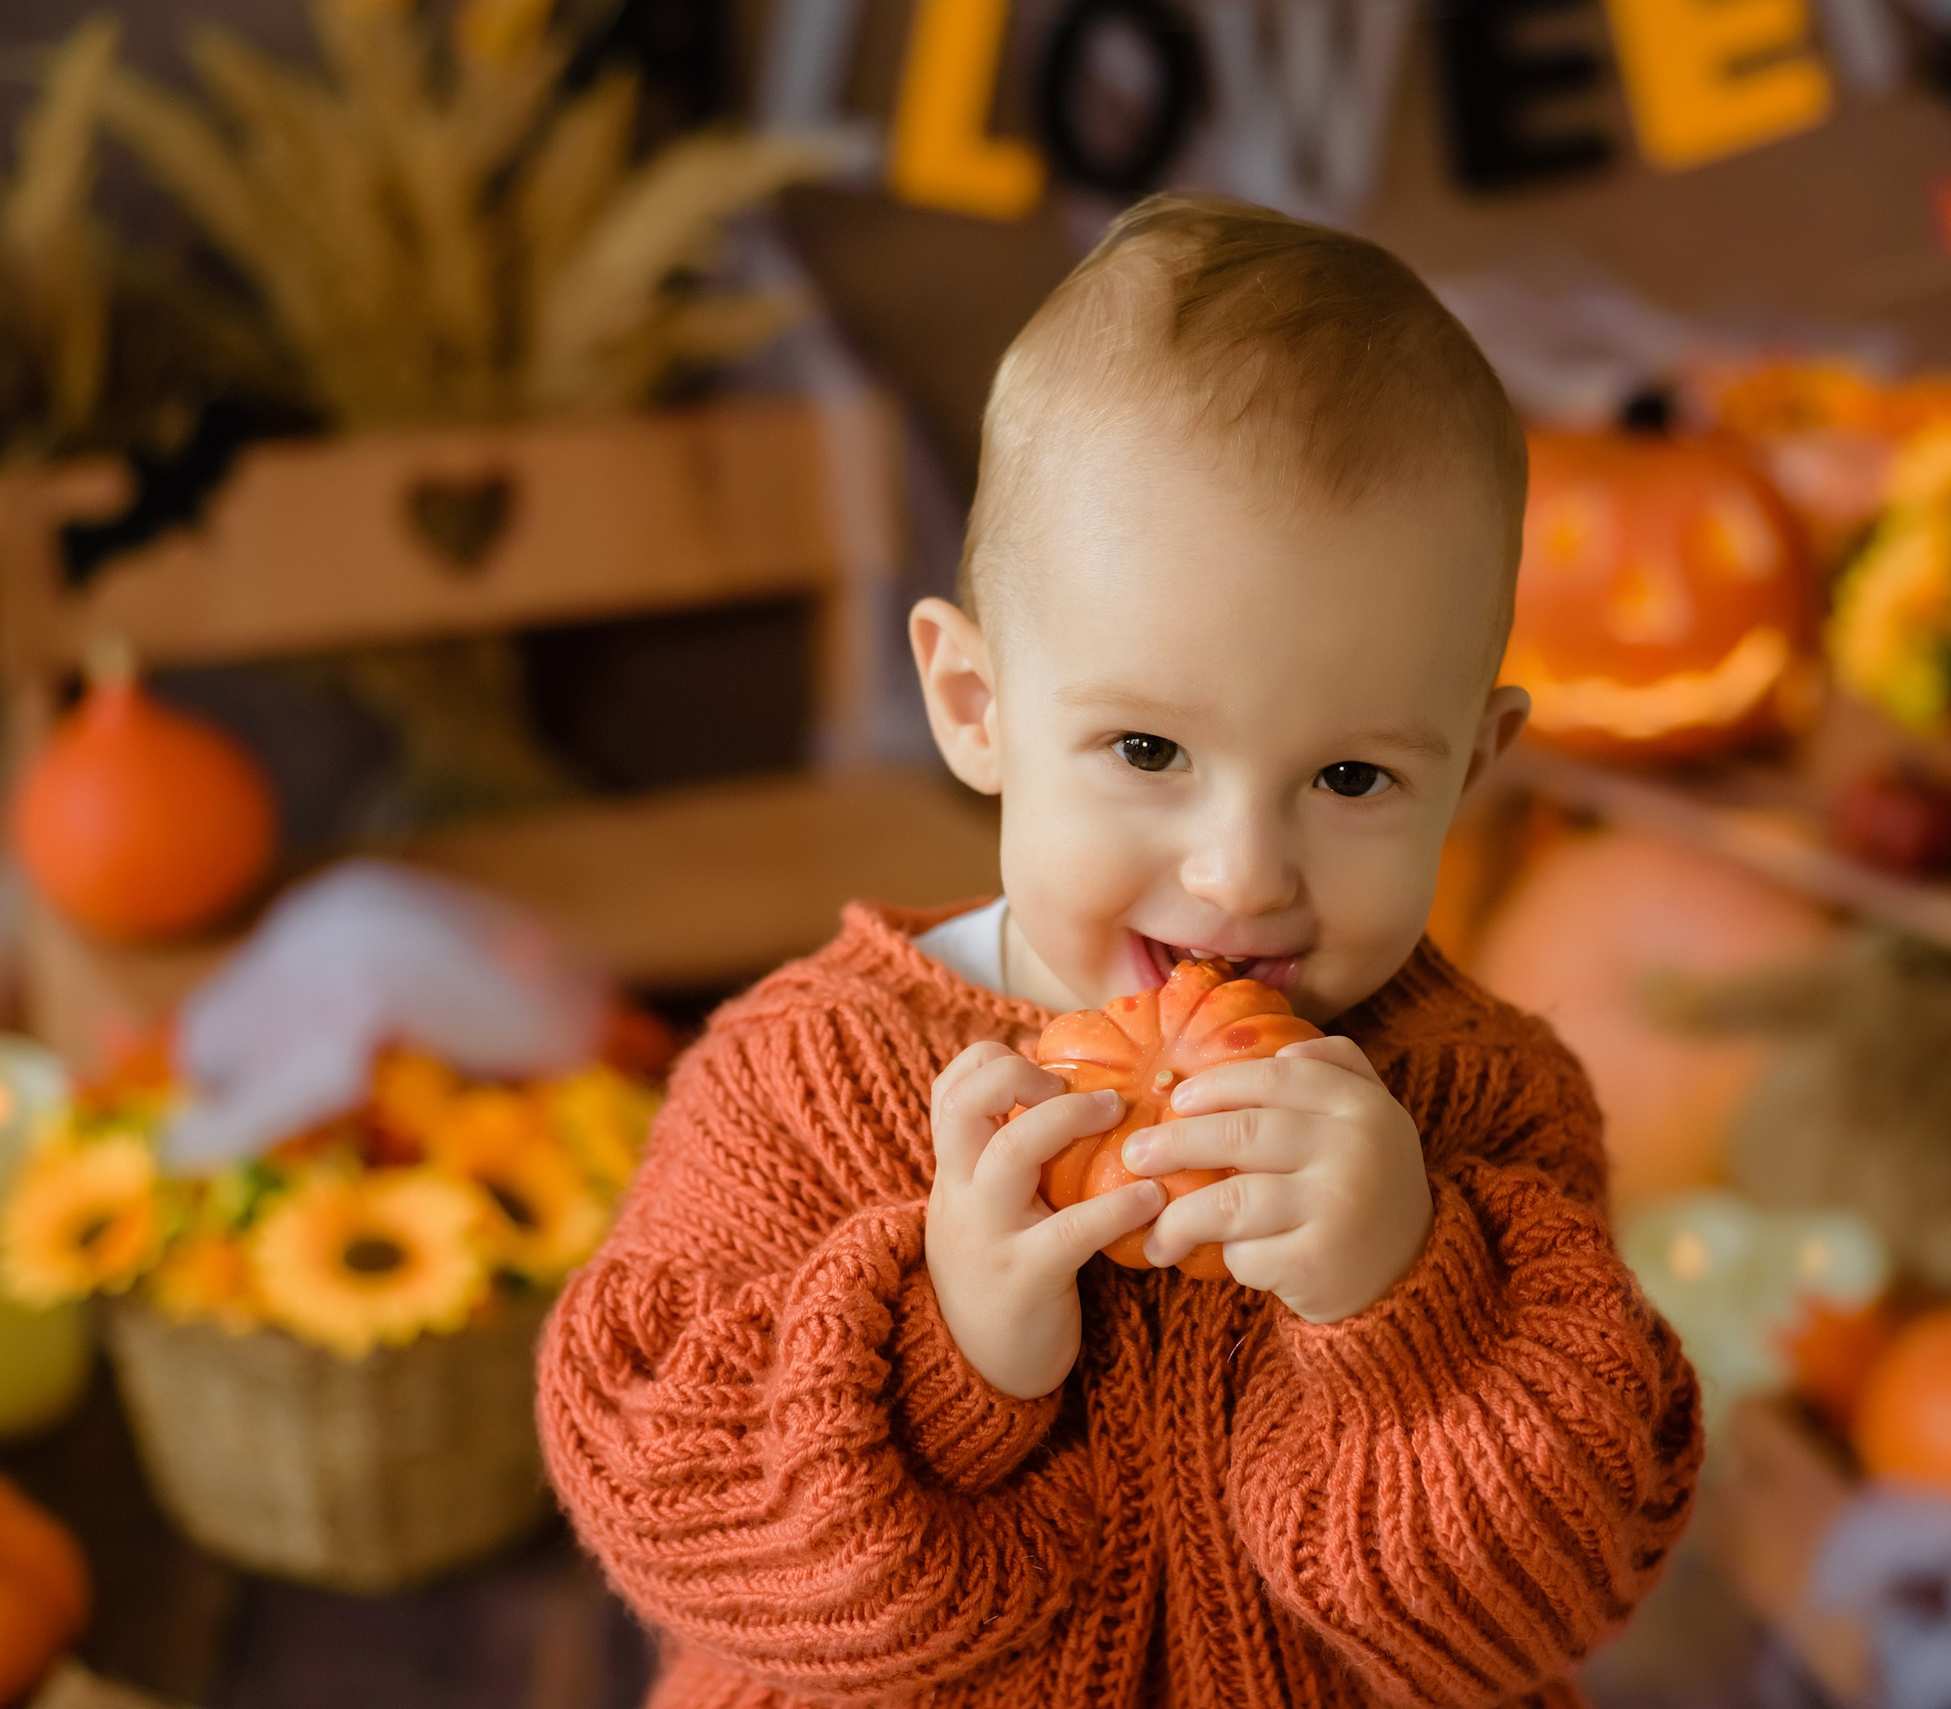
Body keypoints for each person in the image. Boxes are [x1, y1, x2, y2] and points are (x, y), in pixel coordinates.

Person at [539, 193, 1702, 1708]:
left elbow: (1553, 1601)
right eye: (1148, 746)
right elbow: (656, 1473)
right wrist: (940, 1355)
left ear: (1472, 768)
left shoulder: (1480, 1106)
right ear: (976, 705)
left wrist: (1413, 1307)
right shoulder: (813, 1074)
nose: (1240, 872)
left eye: (1353, 779)